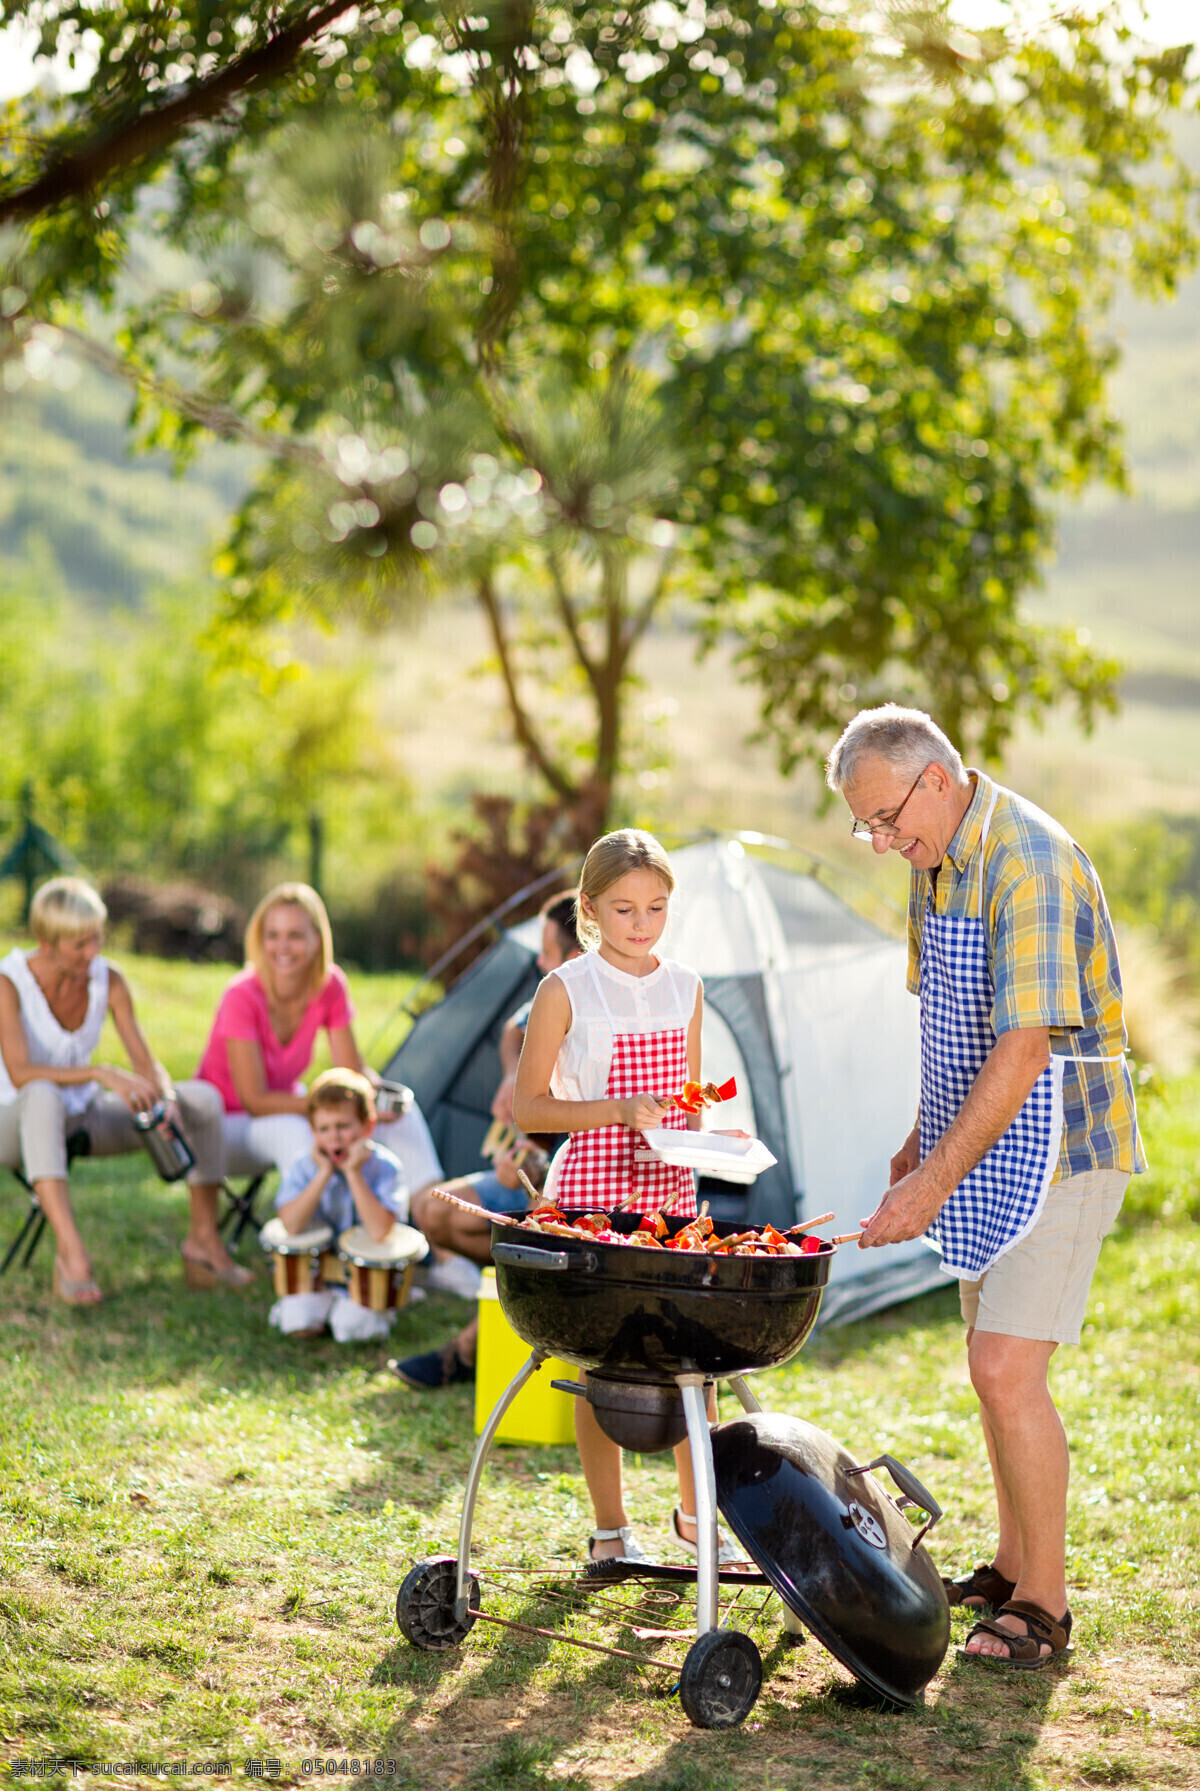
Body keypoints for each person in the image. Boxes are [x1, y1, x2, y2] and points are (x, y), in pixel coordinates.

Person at [826, 704, 1143, 1669]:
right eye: (865, 827)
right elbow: (952, 1029)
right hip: (987, 1142)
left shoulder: (1029, 863)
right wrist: (917, 1143)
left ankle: (1045, 1605)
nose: (881, 843)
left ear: (933, 777)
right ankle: (1010, 1567)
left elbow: (1023, 1045)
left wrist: (930, 1181)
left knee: (1008, 1367)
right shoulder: (936, 861)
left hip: (1063, 1146)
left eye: (886, 818)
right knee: (984, 1355)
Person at [512, 828, 748, 1570]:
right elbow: (530, 1108)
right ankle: (610, 1528)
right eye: (623, 909)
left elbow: (690, 1092)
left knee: (692, 1360)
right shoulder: (565, 988)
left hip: (670, 1185)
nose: (641, 924)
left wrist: (710, 1129)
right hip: (591, 1188)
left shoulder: (686, 985)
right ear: (588, 908)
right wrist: (616, 1109)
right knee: (601, 1363)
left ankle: (693, 1516)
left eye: (655, 907)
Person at [0, 876, 248, 1303]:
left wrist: (166, 1098)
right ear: (45, 941)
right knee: (41, 1094)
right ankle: (71, 1256)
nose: (92, 952)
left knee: (203, 1101)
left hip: (82, 1118)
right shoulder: (8, 983)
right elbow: (21, 1073)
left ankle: (203, 1244)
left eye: (96, 938)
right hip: (14, 1125)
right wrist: (101, 1072)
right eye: (79, 944)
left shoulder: (107, 979)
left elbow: (146, 1062)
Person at [391, 891, 583, 1389]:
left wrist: (538, 1176)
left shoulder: (602, 1021)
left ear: (576, 956)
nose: (539, 962)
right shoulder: (549, 996)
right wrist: (512, 1078)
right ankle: (521, 1316)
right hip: (538, 1176)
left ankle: (467, 1352)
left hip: (576, 1199)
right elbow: (511, 1030)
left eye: (546, 952)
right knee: (434, 1210)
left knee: (534, 1249)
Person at [195, 881, 443, 1198]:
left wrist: (375, 1094)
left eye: (295, 935)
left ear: (317, 939)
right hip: (227, 1123)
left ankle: (435, 1220)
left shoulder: (329, 985)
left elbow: (352, 1074)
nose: (282, 946)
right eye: (273, 935)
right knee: (306, 1131)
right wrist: (330, 1109)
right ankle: (319, 1240)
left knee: (401, 1116)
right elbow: (254, 1101)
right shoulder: (240, 995)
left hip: (287, 1103)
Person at [269, 1069, 408, 1343]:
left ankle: (358, 1313)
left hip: (365, 1281)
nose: (334, 1137)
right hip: (315, 1277)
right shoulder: (304, 1166)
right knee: (297, 1322)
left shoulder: (385, 1167)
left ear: (368, 1126)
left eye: (343, 1126)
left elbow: (380, 1231)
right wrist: (323, 1174)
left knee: (352, 1330)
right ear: (313, 1132)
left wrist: (354, 1173)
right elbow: (292, 1224)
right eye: (324, 1129)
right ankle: (315, 1309)